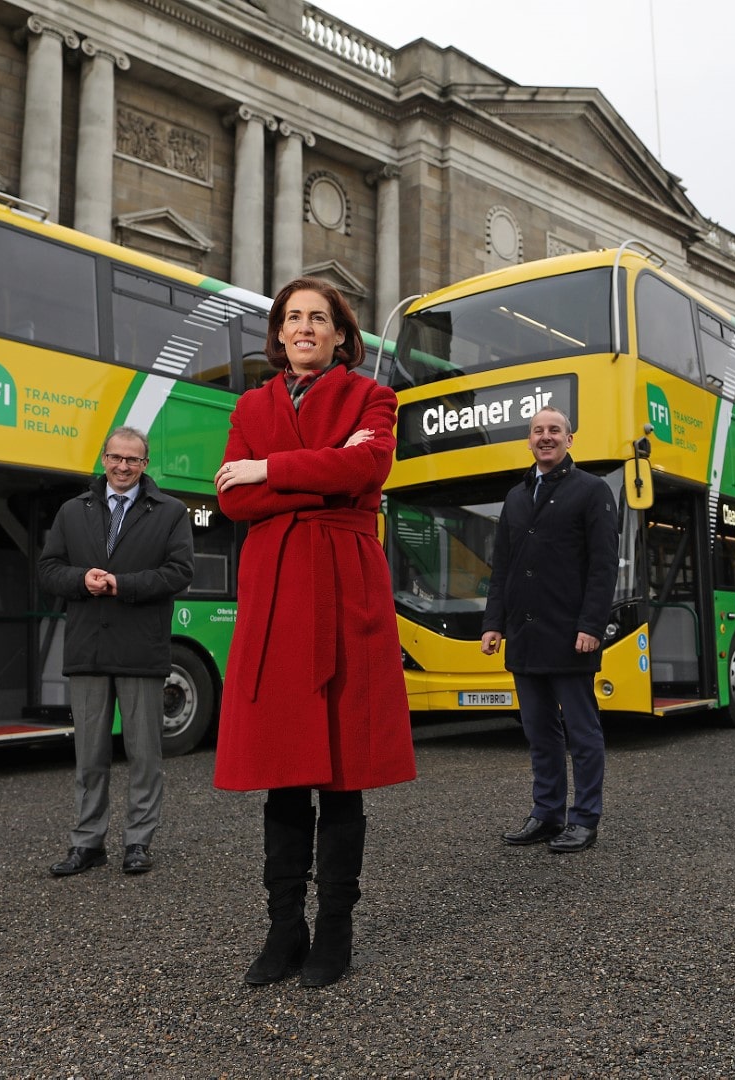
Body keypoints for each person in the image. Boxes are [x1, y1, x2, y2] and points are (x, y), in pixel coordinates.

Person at [213, 276, 416, 988]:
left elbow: (369, 466)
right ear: (279, 332)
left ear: (340, 335)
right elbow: (231, 500)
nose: (303, 327)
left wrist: (269, 467)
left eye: (317, 318)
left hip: (341, 590)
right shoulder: (251, 403)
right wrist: (323, 473)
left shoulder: (371, 397)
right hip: (276, 597)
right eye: (292, 317)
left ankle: (335, 930)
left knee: (341, 777)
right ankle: (283, 928)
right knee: (283, 778)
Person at [39, 426, 194, 878]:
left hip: (141, 650)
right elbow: (49, 570)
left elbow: (180, 573)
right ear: (103, 459)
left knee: (144, 754)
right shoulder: (72, 511)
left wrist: (121, 584)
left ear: (145, 465)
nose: (123, 466)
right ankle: (88, 844)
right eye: (116, 458)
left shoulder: (171, 512)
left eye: (133, 460)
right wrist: (80, 581)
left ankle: (138, 843)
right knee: (89, 756)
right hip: (88, 649)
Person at [481, 406, 619, 854]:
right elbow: (501, 568)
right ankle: (546, 814)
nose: (546, 437)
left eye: (554, 430)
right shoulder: (516, 496)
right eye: (538, 431)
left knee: (582, 732)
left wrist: (591, 626)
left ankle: (584, 819)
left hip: (571, 635)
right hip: (524, 635)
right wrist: (493, 624)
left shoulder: (592, 491)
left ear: (570, 439)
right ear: (529, 440)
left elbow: (602, 568)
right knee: (539, 732)